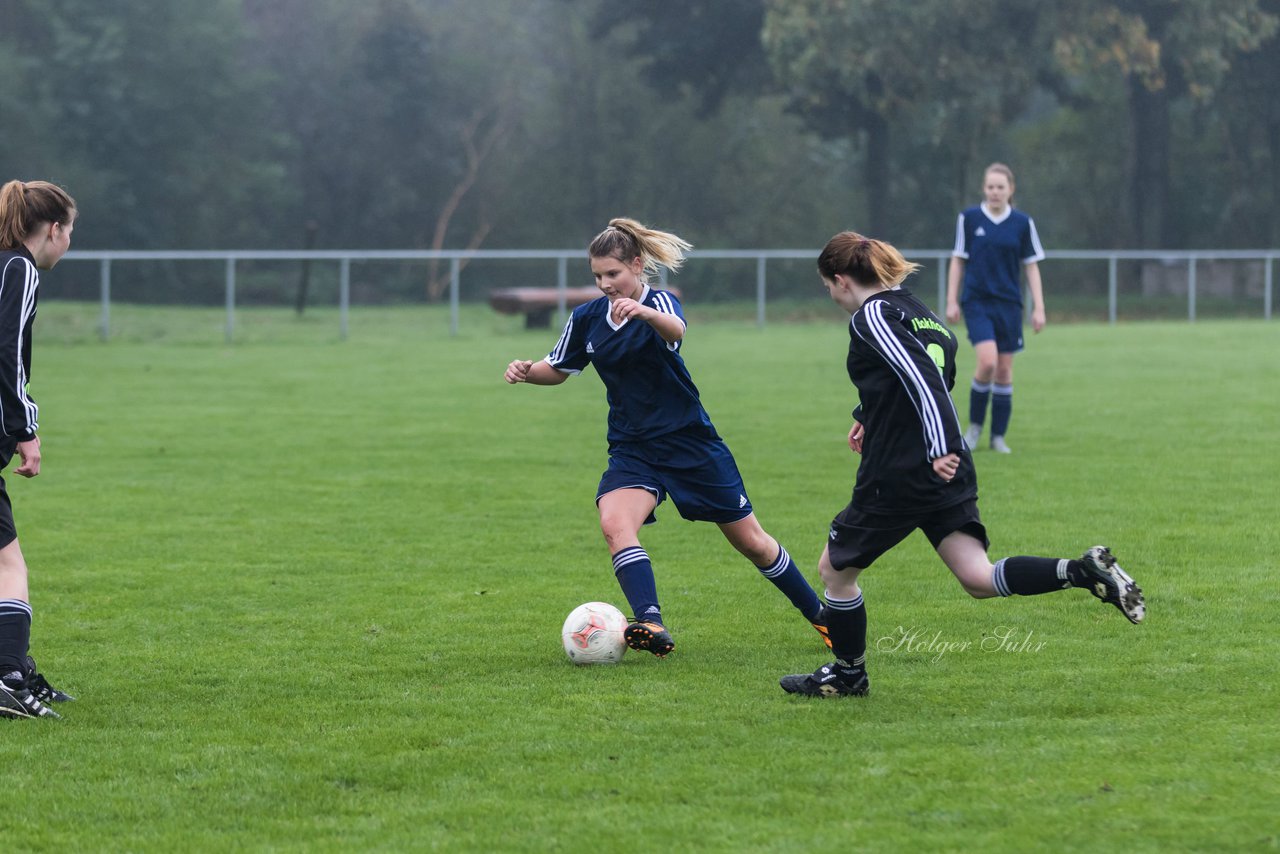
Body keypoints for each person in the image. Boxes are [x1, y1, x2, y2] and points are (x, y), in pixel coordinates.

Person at [779, 232, 1144, 698]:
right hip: (944, 468)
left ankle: (848, 674)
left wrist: (938, 444)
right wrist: (867, 416)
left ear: (841, 279)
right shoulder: (916, 310)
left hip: (904, 470)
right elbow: (942, 367)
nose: (830, 296)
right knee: (977, 577)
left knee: (835, 570)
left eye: (827, 287)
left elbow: (921, 378)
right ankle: (1083, 571)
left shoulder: (870, 315)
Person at [505, 217, 829, 658]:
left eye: (613, 274)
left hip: (689, 443)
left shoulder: (661, 302)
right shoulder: (586, 319)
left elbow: (676, 331)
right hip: (633, 448)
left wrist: (643, 312)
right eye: (597, 276)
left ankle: (823, 618)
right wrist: (527, 373)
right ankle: (651, 622)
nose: (605, 284)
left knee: (751, 541)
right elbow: (558, 369)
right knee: (615, 524)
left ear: (637, 265)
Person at [0, 180, 77, 720]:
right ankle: (8, 678)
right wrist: (26, 428)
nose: (69, 242)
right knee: (9, 565)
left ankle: (15, 667)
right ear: (52, 229)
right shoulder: (18, 268)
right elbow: (7, 353)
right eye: (70, 230)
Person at [945, 163, 1046, 454]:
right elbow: (958, 259)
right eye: (990, 186)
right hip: (977, 302)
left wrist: (1039, 307)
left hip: (1009, 305)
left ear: (1010, 190)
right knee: (987, 362)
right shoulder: (969, 218)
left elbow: (1031, 266)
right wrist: (952, 300)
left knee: (1004, 370)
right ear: (984, 188)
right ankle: (975, 428)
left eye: (1000, 187)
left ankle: (998, 437)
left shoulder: (1022, 223)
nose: (995, 192)